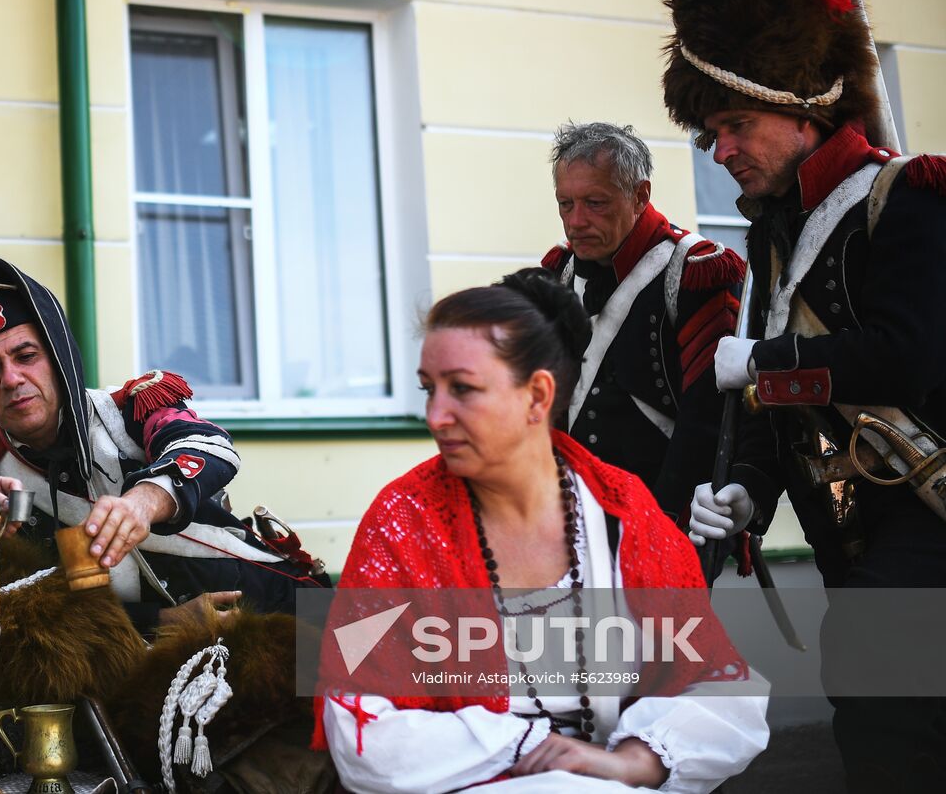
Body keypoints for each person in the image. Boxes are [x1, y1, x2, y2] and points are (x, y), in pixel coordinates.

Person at [662, 0, 946, 787]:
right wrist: (746, 487)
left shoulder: (904, 202)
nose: (723, 150)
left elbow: (906, 360)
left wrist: (767, 357)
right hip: (854, 546)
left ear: (806, 107)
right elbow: (778, 410)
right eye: (712, 133)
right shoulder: (776, 235)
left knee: (892, 748)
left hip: (927, 535)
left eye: (737, 124)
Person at [316, 271, 768, 793]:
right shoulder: (401, 521)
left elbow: (720, 682)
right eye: (428, 390)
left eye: (462, 388)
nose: (435, 416)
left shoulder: (622, 514)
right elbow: (356, 722)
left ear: (537, 396)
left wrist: (631, 763)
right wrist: (532, 751)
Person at [0, 255, 321, 634]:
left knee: (373, 672)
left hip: (275, 603)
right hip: (142, 665)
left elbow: (209, 445)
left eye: (26, 356)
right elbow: (13, 613)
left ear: (59, 357)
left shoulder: (132, 408)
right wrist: (163, 622)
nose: (11, 379)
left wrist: (143, 502)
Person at [542, 121, 744, 522]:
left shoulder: (694, 271)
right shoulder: (559, 273)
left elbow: (708, 418)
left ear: (640, 195)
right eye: (566, 204)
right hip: (575, 518)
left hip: (666, 517)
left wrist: (666, 525)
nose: (576, 221)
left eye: (595, 203)